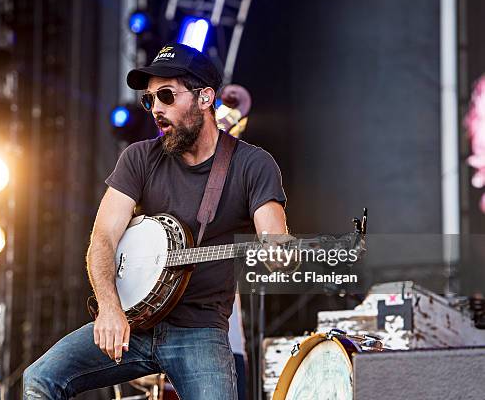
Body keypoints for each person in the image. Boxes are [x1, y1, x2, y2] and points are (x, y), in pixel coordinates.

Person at [23, 43, 288, 400]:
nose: (156, 109)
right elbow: (102, 239)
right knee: (40, 379)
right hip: (132, 321)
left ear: (205, 97)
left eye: (166, 96)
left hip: (200, 329)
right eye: (150, 100)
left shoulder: (252, 165)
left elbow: (275, 241)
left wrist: (278, 253)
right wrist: (110, 309)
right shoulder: (139, 158)